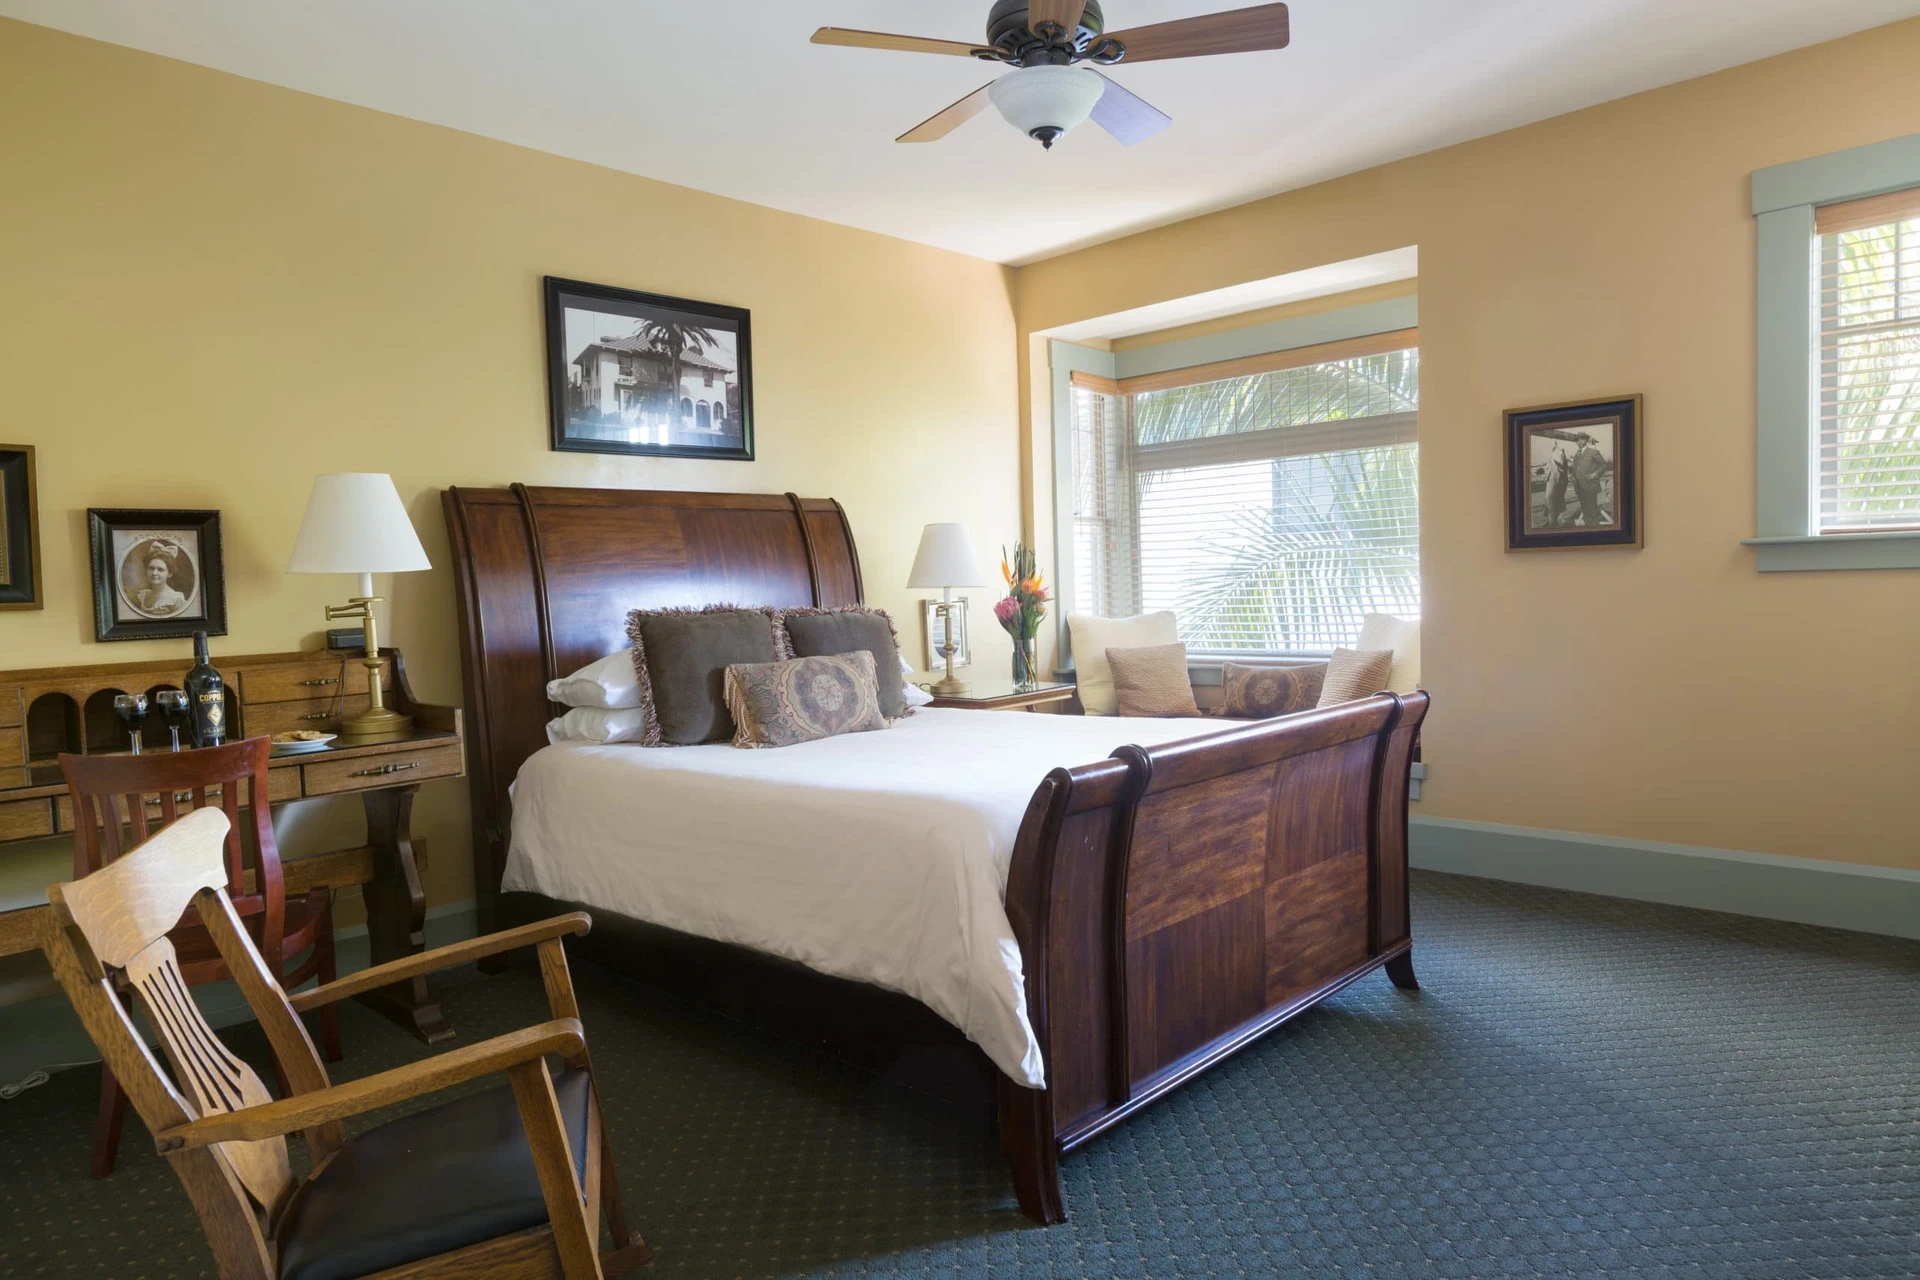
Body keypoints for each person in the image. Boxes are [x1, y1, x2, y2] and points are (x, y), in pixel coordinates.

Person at [128, 543, 188, 617]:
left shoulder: (174, 600)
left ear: (170, 573)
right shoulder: (143, 596)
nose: (154, 573)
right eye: (151, 568)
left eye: (160, 569)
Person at [1570, 433, 1613, 526]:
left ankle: (1594, 530)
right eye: (1577, 440)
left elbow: (1604, 464)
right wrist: (1572, 476)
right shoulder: (1576, 455)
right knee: (1585, 512)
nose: (1579, 441)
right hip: (1579, 487)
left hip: (1590, 485)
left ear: (1586, 440)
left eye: (1582, 439)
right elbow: (1575, 470)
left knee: (1592, 512)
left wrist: (1596, 473)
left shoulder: (1593, 452)